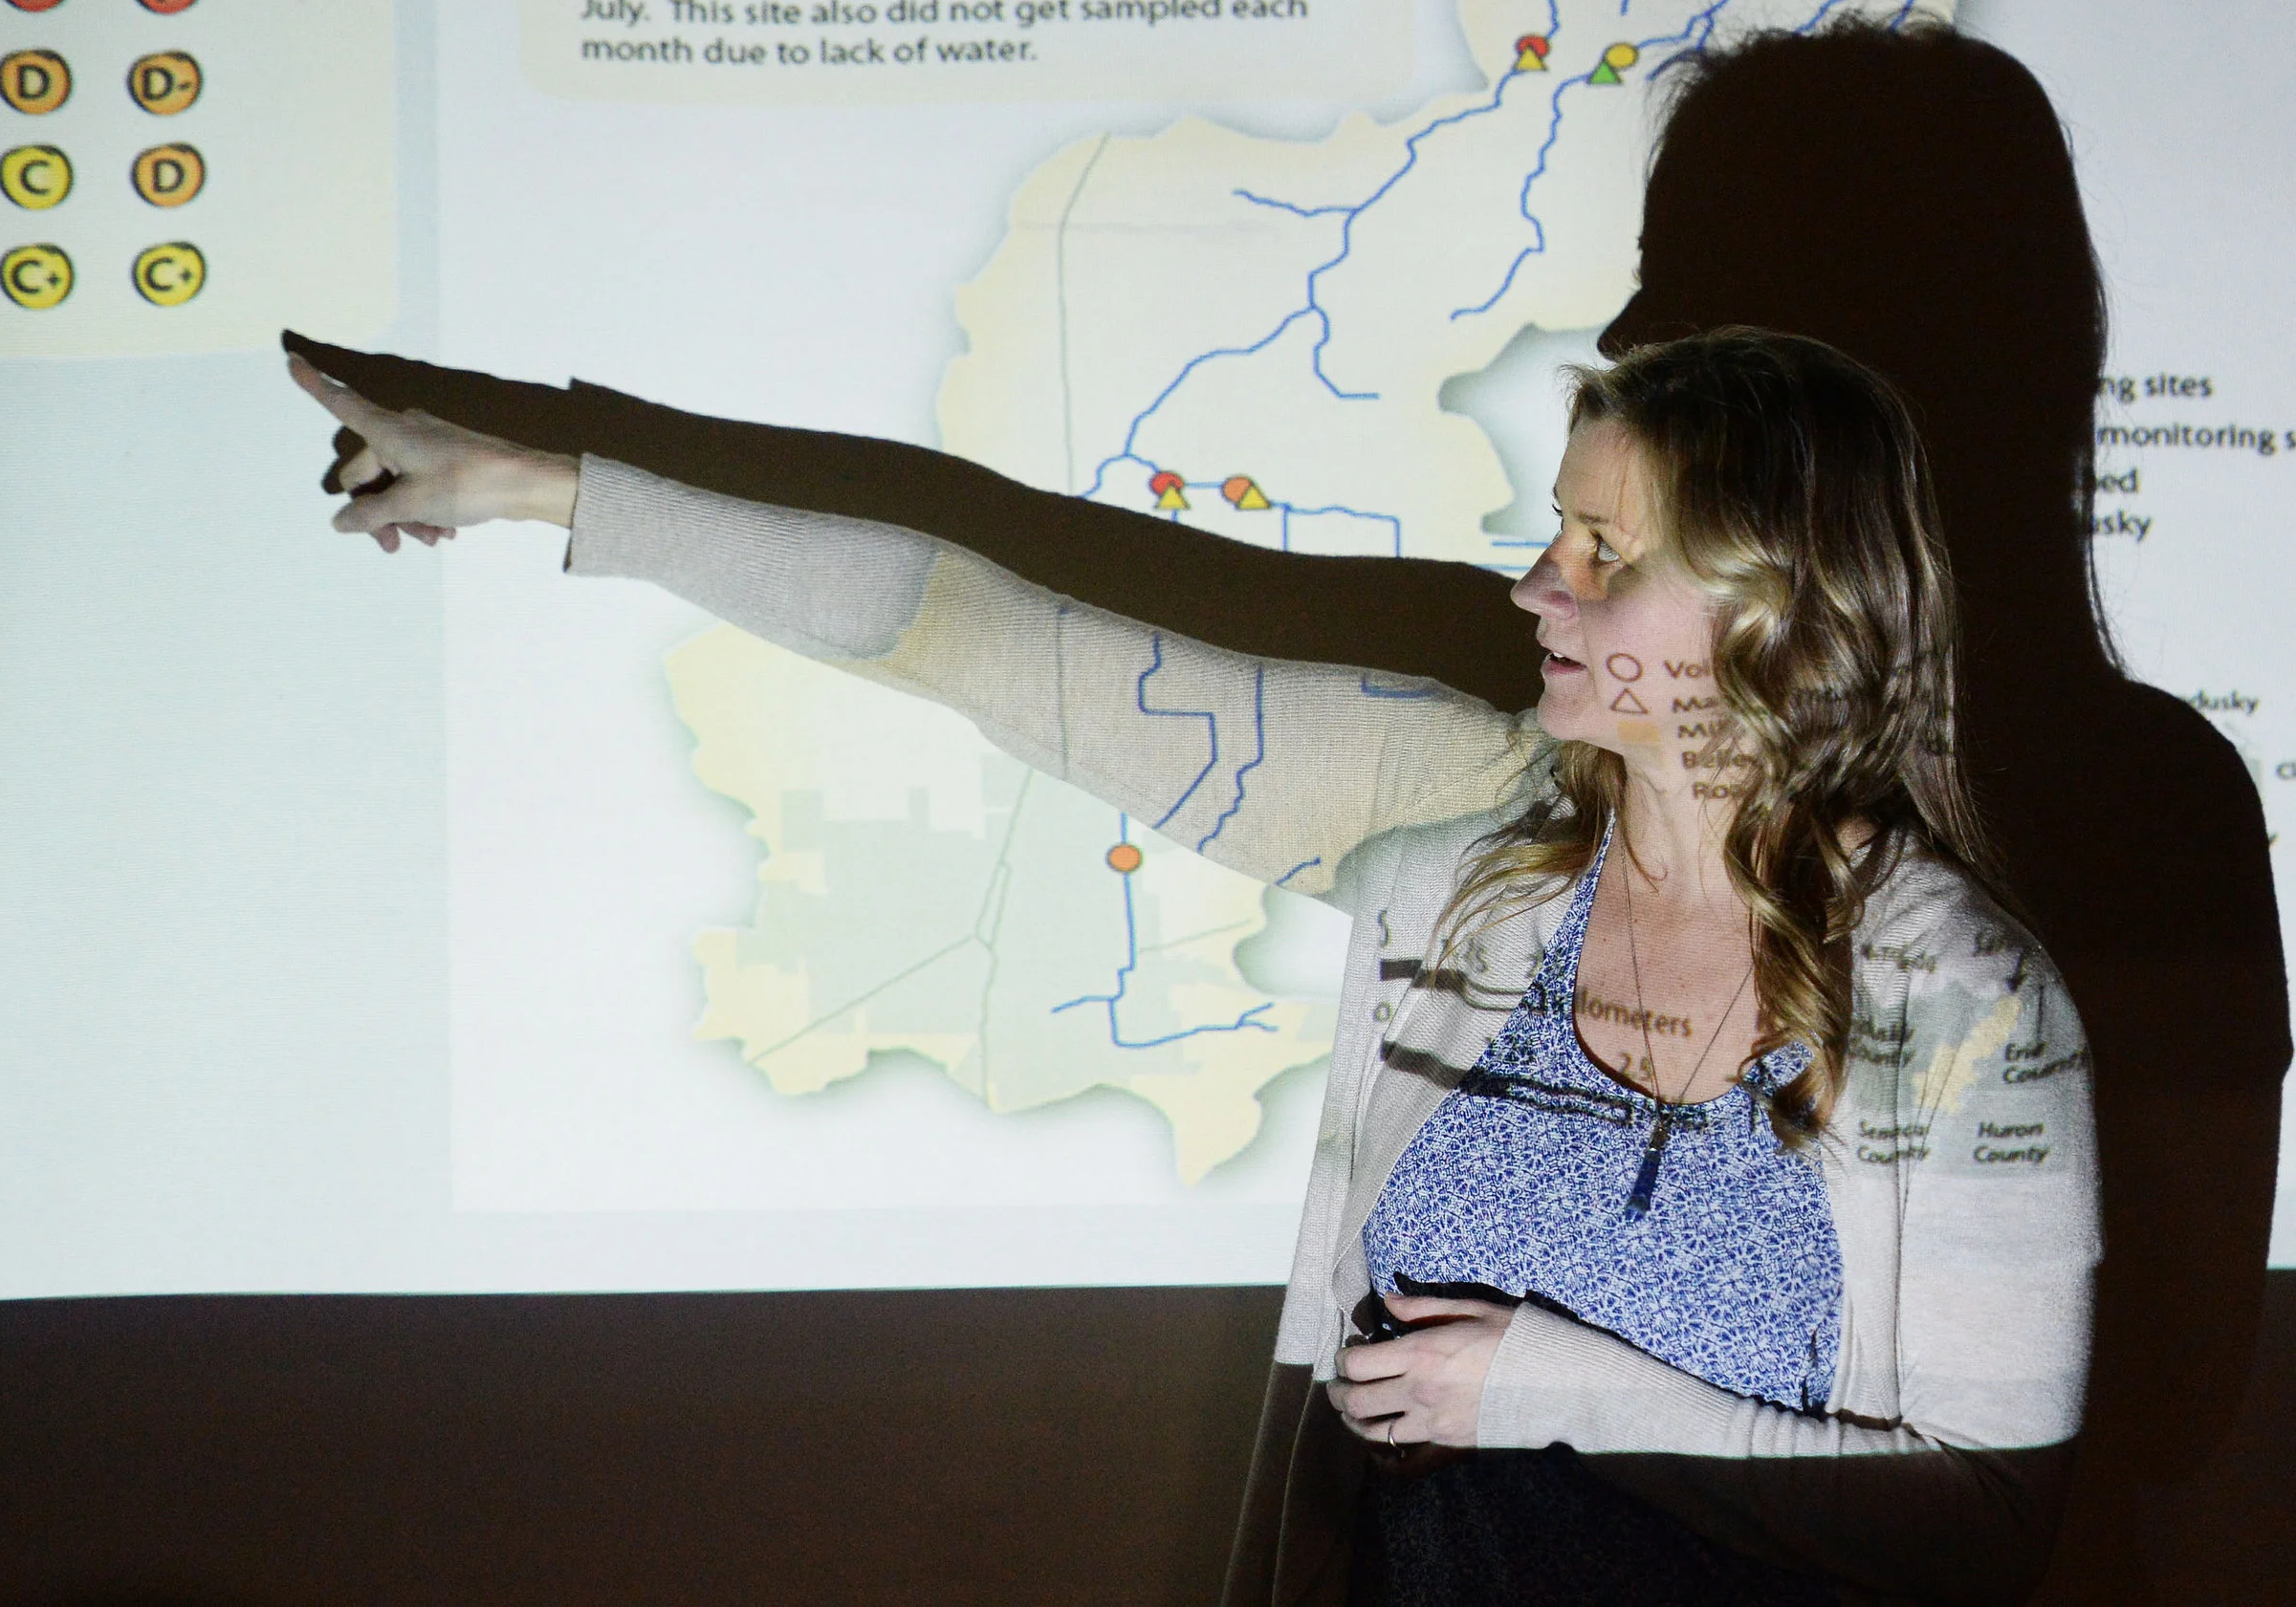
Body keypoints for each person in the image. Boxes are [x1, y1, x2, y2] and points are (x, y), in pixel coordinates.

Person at [292, 321, 2098, 1605]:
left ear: (1772, 610)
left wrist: (1552, 1393)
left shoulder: (1966, 1001)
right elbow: (976, 634)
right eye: (1554, 527)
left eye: (1600, 551)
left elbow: (1991, 1519)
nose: (1536, 583)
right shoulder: (1451, 855)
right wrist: (547, 485)